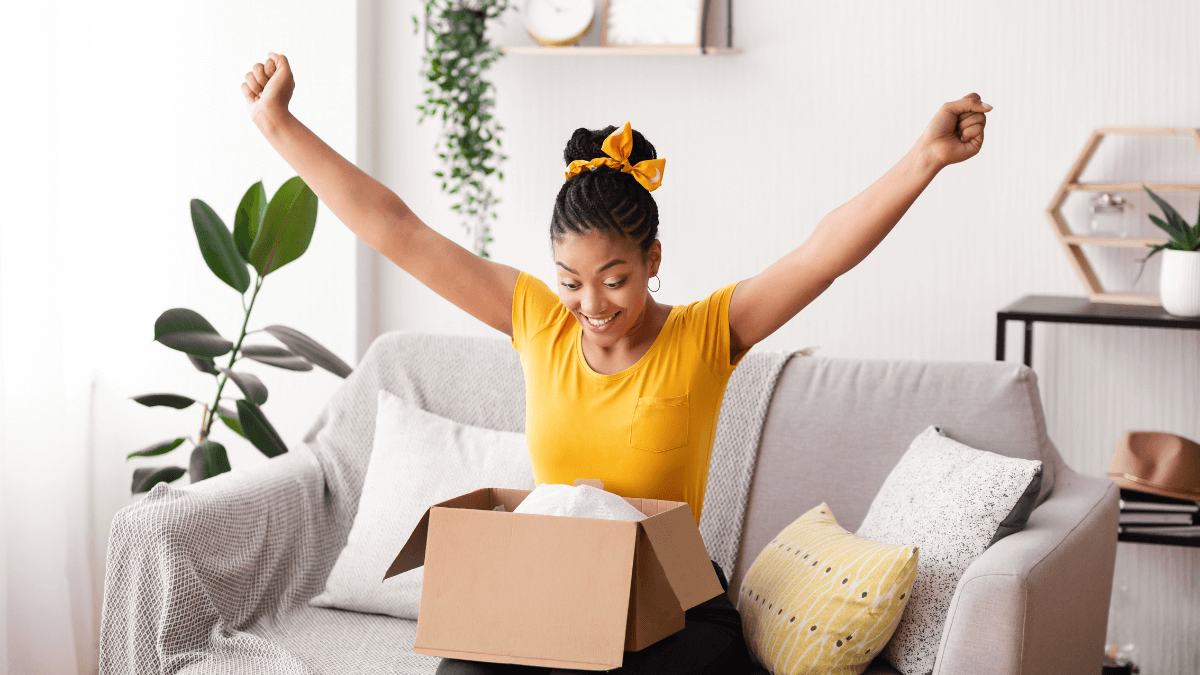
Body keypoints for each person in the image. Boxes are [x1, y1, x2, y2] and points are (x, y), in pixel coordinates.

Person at [242, 52, 990, 675]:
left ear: (651, 259)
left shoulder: (706, 334)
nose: (592, 304)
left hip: (673, 603)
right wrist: (279, 125)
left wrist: (925, 158)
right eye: (571, 280)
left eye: (615, 278)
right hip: (549, 590)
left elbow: (822, 255)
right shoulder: (535, 317)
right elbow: (398, 229)